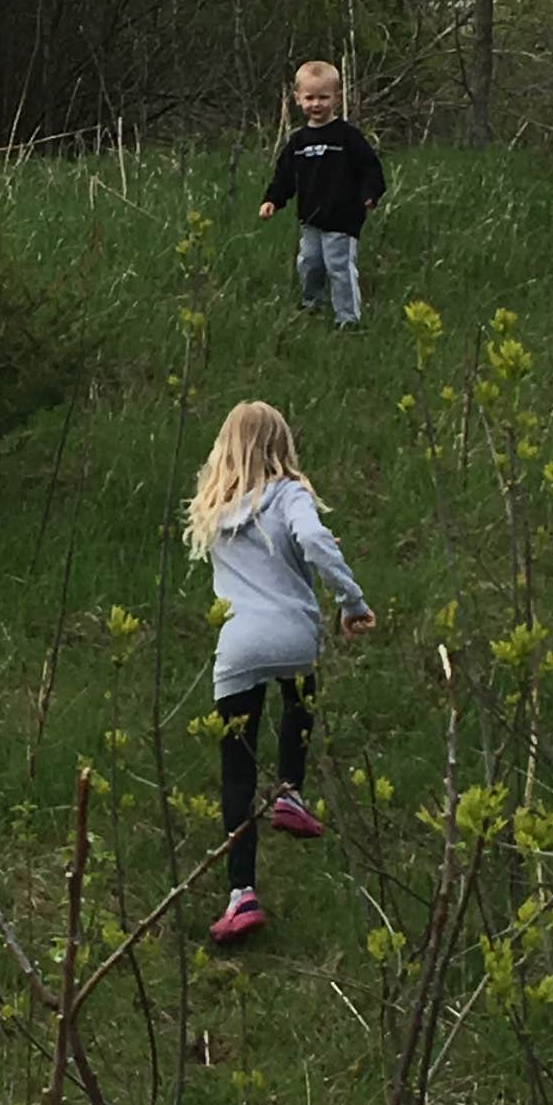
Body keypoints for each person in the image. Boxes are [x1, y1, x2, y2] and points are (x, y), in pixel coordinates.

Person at [185, 397, 374, 949]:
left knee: (237, 774)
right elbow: (309, 540)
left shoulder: (215, 508)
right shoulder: (289, 493)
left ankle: (241, 894)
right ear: (281, 444)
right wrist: (351, 600)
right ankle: (291, 791)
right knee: (299, 697)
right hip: (292, 634)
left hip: (238, 645)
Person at [260, 59, 386, 329]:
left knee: (339, 267)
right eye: (309, 98)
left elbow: (370, 168)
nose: (316, 104)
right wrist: (272, 200)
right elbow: (284, 176)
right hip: (310, 218)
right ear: (297, 98)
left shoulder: (347, 137)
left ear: (336, 97)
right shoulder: (298, 142)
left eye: (323, 97)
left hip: (342, 217)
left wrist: (370, 193)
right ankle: (312, 305)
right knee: (309, 263)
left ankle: (347, 319)